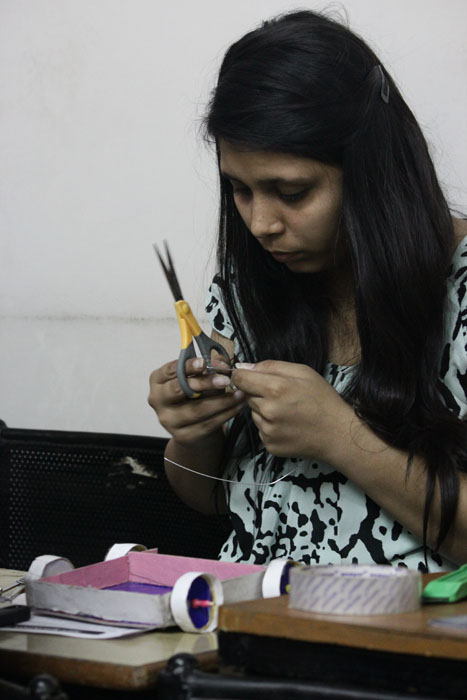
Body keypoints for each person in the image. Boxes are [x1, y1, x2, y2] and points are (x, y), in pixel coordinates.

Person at [148, 9, 467, 571]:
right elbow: (211, 497)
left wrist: (340, 435)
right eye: (240, 190)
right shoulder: (251, 287)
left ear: (371, 170)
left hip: (409, 623)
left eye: (291, 193)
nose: (260, 224)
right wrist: (194, 435)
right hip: (248, 608)